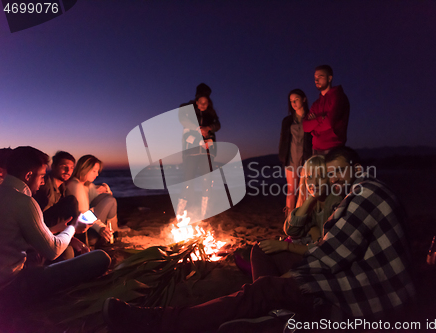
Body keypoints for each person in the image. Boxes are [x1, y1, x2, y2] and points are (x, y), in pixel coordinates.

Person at [103, 146, 415, 332]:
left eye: (338, 173)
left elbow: (329, 255)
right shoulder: (362, 191)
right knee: (260, 258)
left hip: (364, 293)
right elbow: (311, 239)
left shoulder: (364, 193)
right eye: (329, 174)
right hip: (348, 273)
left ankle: (158, 322)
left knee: (260, 289)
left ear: (356, 169)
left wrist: (289, 276)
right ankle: (274, 309)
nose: (333, 180)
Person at [0, 147, 110, 313]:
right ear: (28, 176)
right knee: (101, 258)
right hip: (12, 286)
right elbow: (53, 250)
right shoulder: (24, 202)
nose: (43, 182)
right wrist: (73, 228)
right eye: (42, 176)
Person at [251, 155, 343, 281]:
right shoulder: (314, 203)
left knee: (270, 277)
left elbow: (326, 252)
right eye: (309, 177)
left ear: (330, 178)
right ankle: (266, 288)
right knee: (259, 248)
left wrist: (285, 246)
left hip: (321, 264)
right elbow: (290, 230)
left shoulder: (336, 205)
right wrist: (309, 199)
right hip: (308, 254)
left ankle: (266, 289)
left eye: (321, 177)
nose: (314, 183)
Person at [177, 83, 221, 219]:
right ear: (196, 101)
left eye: (206, 102)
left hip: (207, 153)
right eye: (201, 102)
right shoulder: (187, 111)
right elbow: (184, 125)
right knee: (187, 181)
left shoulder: (211, 113)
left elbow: (217, 125)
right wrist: (198, 133)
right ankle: (180, 213)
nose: (203, 104)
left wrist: (208, 129)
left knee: (207, 182)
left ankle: (204, 214)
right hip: (191, 152)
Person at [65, 155, 117, 246]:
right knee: (109, 200)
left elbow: (97, 194)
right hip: (84, 234)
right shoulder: (76, 186)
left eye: (97, 171)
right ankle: (112, 231)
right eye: (94, 171)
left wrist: (106, 190)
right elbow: (84, 214)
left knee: (109, 198)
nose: (97, 174)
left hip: (85, 228)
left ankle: (113, 230)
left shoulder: (83, 185)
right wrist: (101, 228)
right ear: (84, 169)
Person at [278, 89, 313, 216]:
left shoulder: (310, 118)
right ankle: (289, 222)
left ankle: (302, 220)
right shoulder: (287, 121)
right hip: (291, 159)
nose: (293, 103)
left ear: (304, 99)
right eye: (291, 101)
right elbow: (283, 140)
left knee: (304, 192)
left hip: (306, 160)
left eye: (296, 99)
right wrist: (282, 157)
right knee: (291, 191)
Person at [303, 65, 350, 155]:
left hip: (334, 149)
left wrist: (314, 124)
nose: (316, 80)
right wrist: (320, 119)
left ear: (329, 78)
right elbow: (305, 127)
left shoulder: (338, 97)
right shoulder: (316, 103)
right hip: (316, 149)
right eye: (315, 77)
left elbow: (329, 122)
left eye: (320, 77)